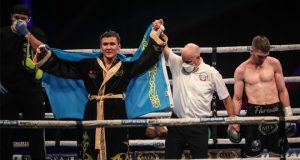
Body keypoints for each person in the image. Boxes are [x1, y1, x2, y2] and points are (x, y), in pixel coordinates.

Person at [32, 20, 167, 160]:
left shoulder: (126, 66)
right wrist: (46, 56)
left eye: (112, 44)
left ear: (119, 46)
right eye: (105, 44)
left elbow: (147, 59)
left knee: (117, 147)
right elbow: (64, 68)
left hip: (117, 111)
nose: (109, 47)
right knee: (90, 148)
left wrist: (157, 33)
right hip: (92, 110)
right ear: (100, 47)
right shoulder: (88, 65)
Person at [162, 43, 237, 159]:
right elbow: (164, 47)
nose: (184, 64)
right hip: (176, 124)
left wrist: (232, 121)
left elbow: (226, 97)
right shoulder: (178, 63)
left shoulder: (211, 73)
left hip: (199, 125)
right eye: (183, 60)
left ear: (197, 58)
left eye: (188, 61)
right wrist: (158, 30)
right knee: (170, 157)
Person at [232, 35, 294, 157]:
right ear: (252, 51)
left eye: (266, 56)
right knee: (253, 153)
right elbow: (237, 98)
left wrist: (288, 111)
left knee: (277, 152)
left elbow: (282, 90)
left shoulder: (274, 63)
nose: (263, 59)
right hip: (254, 111)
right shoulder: (241, 70)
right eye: (260, 56)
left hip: (275, 109)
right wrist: (235, 120)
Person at [0, 4, 47, 160]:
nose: (19, 21)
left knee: (36, 136)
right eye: (16, 18)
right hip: (7, 92)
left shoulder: (35, 32)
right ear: (11, 17)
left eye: (23, 19)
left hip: (32, 92)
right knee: (4, 136)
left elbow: (43, 50)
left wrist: (26, 33)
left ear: (29, 20)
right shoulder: (2, 33)